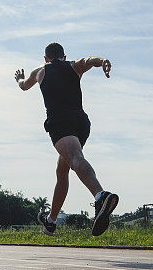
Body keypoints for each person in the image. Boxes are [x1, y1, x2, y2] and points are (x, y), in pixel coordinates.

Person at [14, 42, 118, 237]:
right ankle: (51, 221)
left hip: (60, 123)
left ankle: (100, 195)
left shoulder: (39, 71)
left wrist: (19, 79)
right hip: (81, 123)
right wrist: (102, 61)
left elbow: (24, 86)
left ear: (45, 58)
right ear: (63, 56)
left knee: (75, 158)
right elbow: (88, 60)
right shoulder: (73, 65)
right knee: (62, 170)